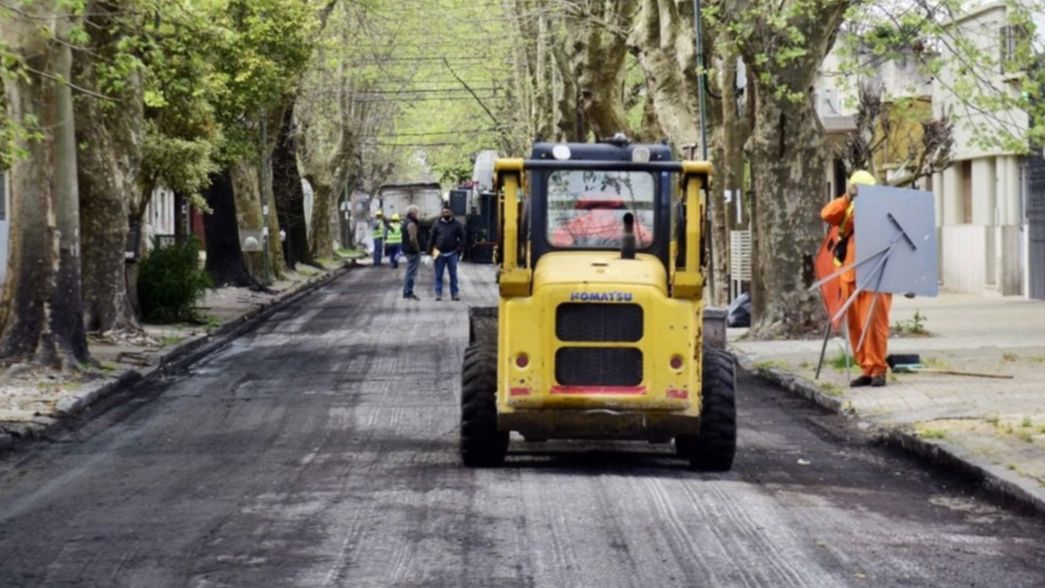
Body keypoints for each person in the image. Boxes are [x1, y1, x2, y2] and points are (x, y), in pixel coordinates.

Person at [821, 170, 892, 388]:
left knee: (874, 324)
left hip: (876, 276)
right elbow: (827, 215)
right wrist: (847, 198)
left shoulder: (884, 210)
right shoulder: (848, 209)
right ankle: (866, 369)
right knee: (856, 326)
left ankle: (878, 369)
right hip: (851, 276)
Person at [428, 205, 465, 301]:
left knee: (453, 275)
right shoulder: (436, 224)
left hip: (452, 253)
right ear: (441, 213)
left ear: (451, 213)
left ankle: (455, 293)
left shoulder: (457, 224)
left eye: (448, 212)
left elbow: (463, 237)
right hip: (438, 253)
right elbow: (431, 238)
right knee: (438, 275)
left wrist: (459, 249)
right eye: (444, 212)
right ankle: (438, 294)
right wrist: (429, 253)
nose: (446, 214)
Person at [401, 205, 422, 300]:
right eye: (417, 213)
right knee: (411, 272)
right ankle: (408, 291)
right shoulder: (411, 224)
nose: (418, 215)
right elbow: (413, 238)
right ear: (413, 213)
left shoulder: (405, 222)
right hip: (412, 251)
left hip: (407, 250)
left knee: (410, 271)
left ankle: (407, 291)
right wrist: (417, 249)